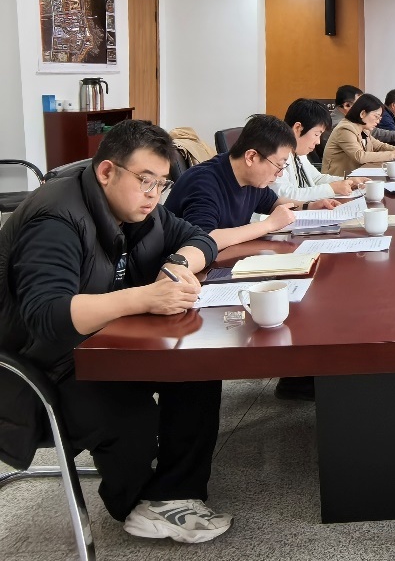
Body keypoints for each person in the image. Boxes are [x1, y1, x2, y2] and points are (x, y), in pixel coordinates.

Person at [0, 120, 231, 543]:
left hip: (98, 344)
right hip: (37, 371)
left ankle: (172, 493)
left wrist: (178, 264)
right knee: (129, 414)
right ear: (107, 171)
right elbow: (48, 316)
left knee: (196, 365)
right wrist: (144, 297)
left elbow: (200, 238)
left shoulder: (138, 209)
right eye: (146, 181)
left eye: (161, 184)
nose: (154, 195)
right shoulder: (55, 218)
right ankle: (136, 501)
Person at [165, 114, 338, 251]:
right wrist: (268, 225)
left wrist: (309, 206)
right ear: (251, 157)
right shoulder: (203, 183)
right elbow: (204, 239)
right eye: (278, 165)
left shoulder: (251, 178)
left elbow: (274, 203)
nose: (279, 174)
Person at [274, 98, 368, 201]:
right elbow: (285, 195)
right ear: (298, 128)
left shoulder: (299, 152)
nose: (318, 141)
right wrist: (332, 189)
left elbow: (316, 178)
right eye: (316, 134)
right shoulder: (276, 153)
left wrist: (347, 181)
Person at [322, 94, 395, 177]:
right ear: (362, 113)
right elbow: (360, 156)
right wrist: (394, 154)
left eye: (379, 118)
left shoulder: (363, 128)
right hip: (338, 180)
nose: (378, 121)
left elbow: (378, 145)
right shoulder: (345, 129)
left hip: (358, 176)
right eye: (376, 117)